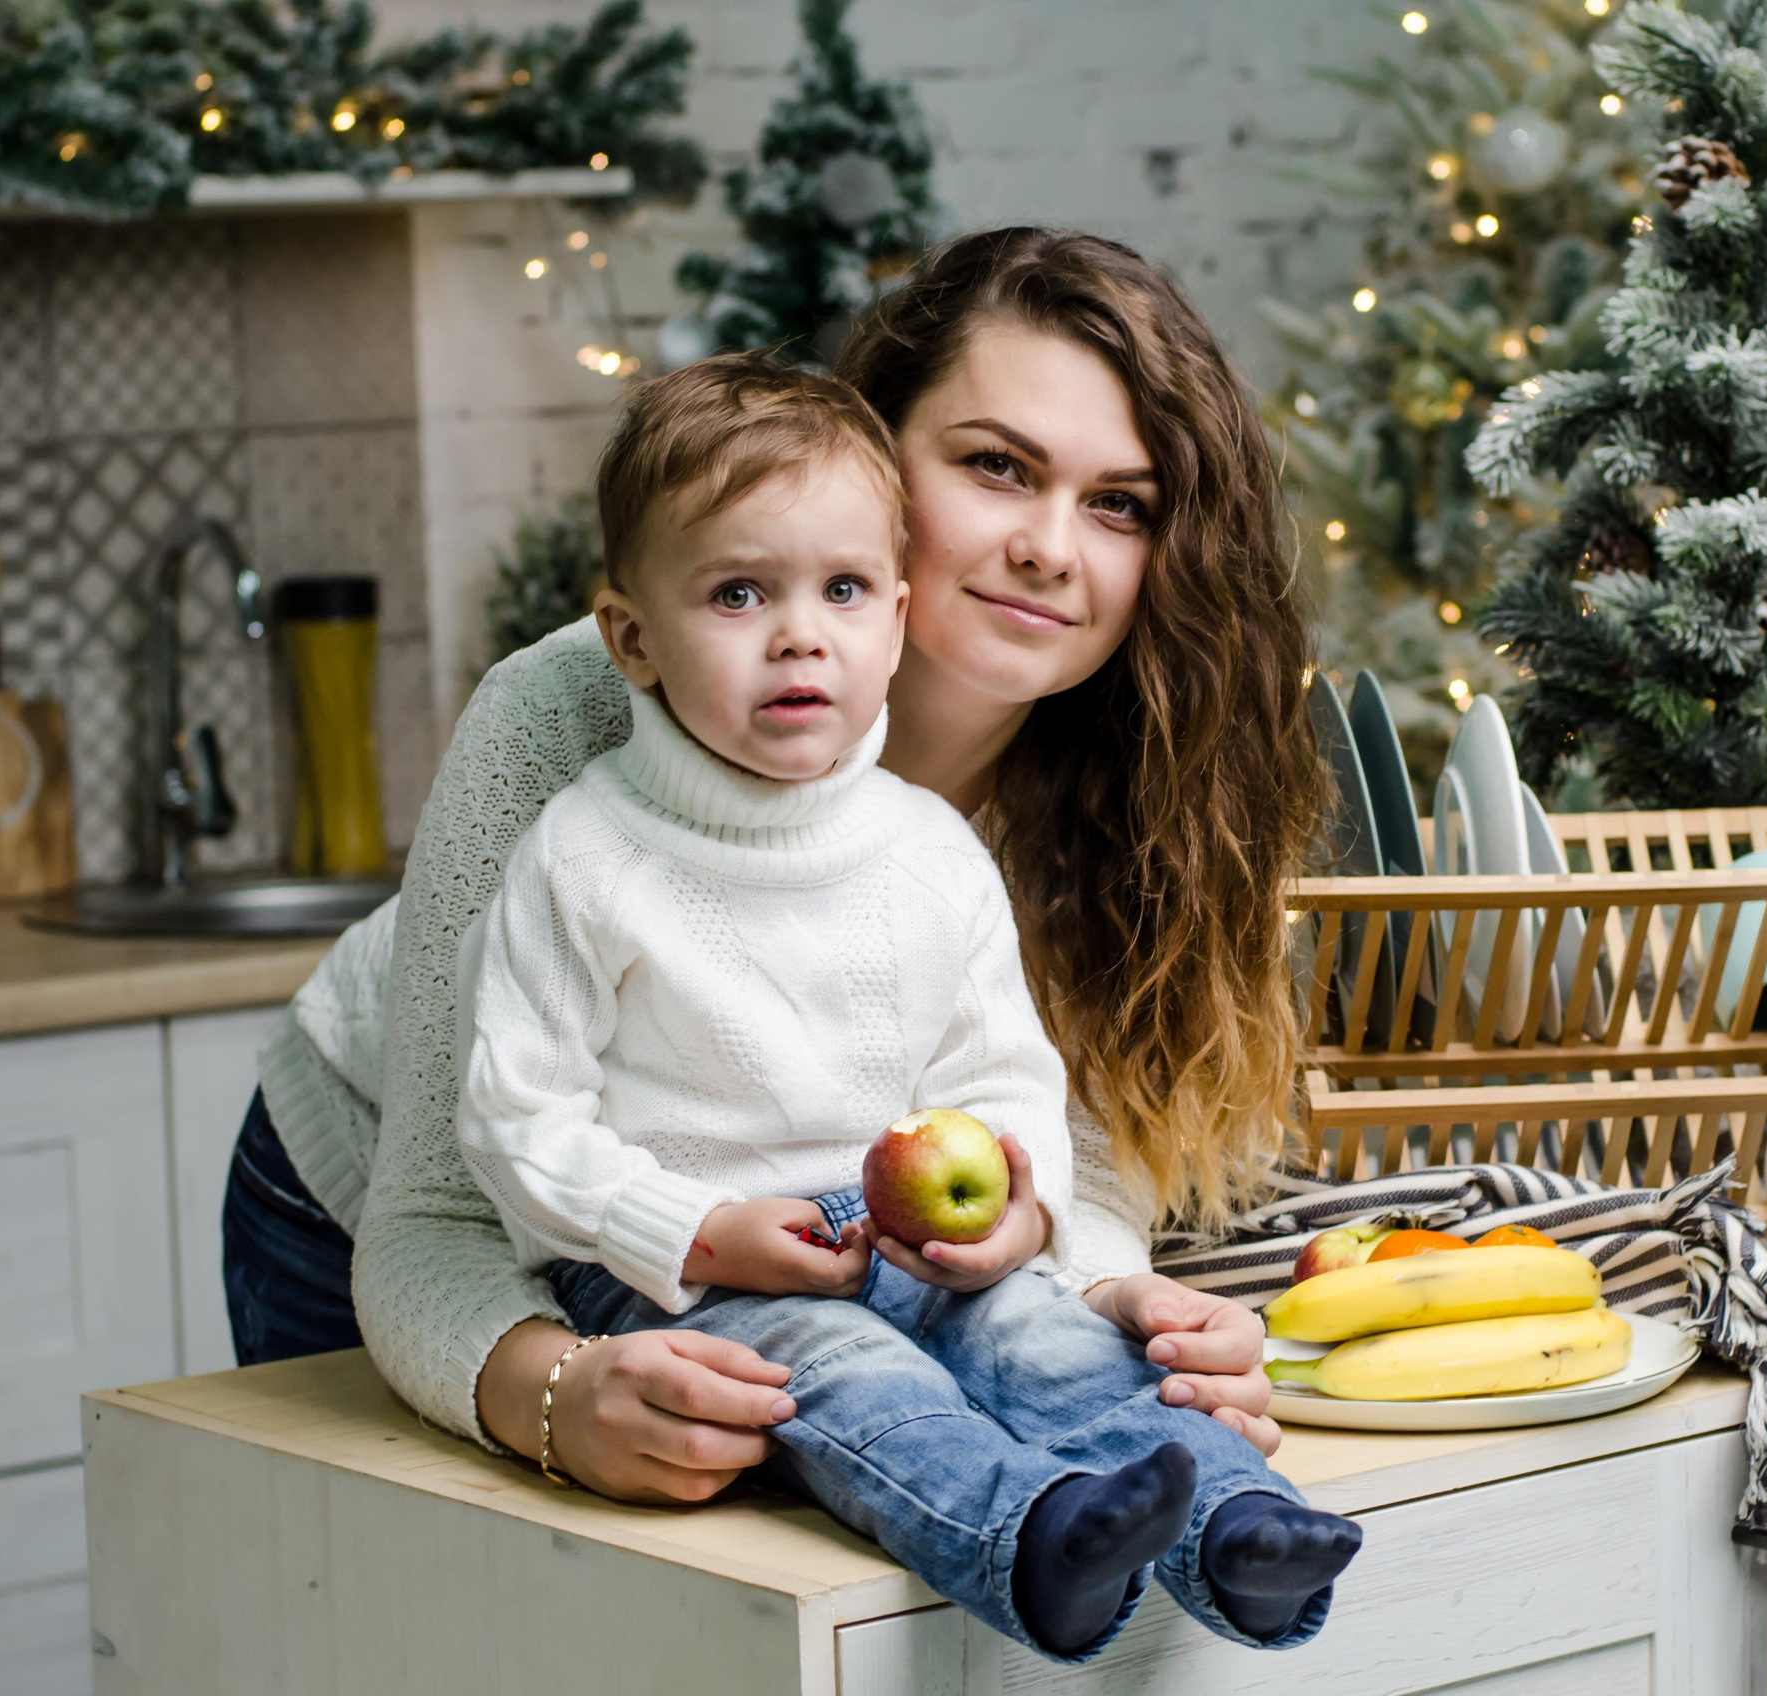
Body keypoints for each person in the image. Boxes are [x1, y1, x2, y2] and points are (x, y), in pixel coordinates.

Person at [224, 226, 1323, 1519]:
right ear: (875, 455)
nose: (1050, 547)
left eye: (1118, 505)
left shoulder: (1150, 796)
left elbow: (1057, 1163)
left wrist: (1103, 1304)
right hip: (389, 1210)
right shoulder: (573, 706)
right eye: (995, 467)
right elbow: (440, 1219)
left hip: (779, 1269)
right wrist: (555, 1395)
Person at [450, 356, 1356, 1659]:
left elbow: (999, 1079)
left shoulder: (927, 850)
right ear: (631, 638)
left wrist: (1020, 1215)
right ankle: (1031, 1540)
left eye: (842, 591)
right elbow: (516, 1123)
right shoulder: (584, 854)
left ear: (896, 610)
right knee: (865, 1390)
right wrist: (699, 1233)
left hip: (906, 1235)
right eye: (737, 593)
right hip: (679, 1281)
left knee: (1050, 1343)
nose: (799, 634)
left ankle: (1238, 1527)